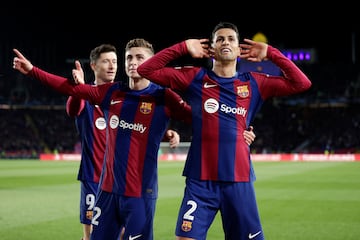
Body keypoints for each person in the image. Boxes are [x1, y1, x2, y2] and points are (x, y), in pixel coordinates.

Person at [13, 38, 256, 240]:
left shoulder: (165, 98)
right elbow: (70, 89)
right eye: (129, 57)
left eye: (140, 58)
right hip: (106, 193)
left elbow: (206, 119)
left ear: (150, 62)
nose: (133, 62)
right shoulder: (112, 92)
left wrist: (241, 130)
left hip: (140, 195)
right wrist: (32, 70)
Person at [137, 22, 312, 240]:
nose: (225, 42)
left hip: (238, 180)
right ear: (211, 49)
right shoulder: (195, 78)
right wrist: (183, 47)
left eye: (231, 39)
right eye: (219, 39)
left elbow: (302, 84)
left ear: (239, 50)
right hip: (200, 180)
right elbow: (145, 70)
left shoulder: (254, 83)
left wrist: (271, 53)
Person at [66, 43, 180, 240]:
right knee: (91, 236)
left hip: (125, 180)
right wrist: (77, 88)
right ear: (93, 66)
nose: (112, 66)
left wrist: (165, 133)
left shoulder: (121, 95)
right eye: (106, 61)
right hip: (95, 178)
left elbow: (135, 129)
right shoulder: (88, 97)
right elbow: (72, 108)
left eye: (115, 61)